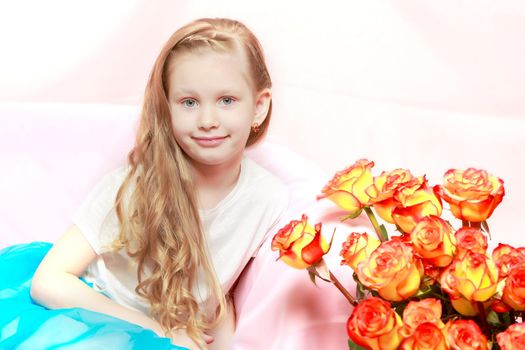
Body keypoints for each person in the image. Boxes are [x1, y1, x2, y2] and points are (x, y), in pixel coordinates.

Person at [0, 18, 288, 350]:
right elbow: (49, 281)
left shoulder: (268, 199)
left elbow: (220, 295)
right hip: (97, 318)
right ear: (168, 108)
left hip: (177, 335)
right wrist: (155, 330)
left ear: (259, 106)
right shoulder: (134, 186)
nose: (208, 121)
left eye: (226, 100)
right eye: (189, 103)